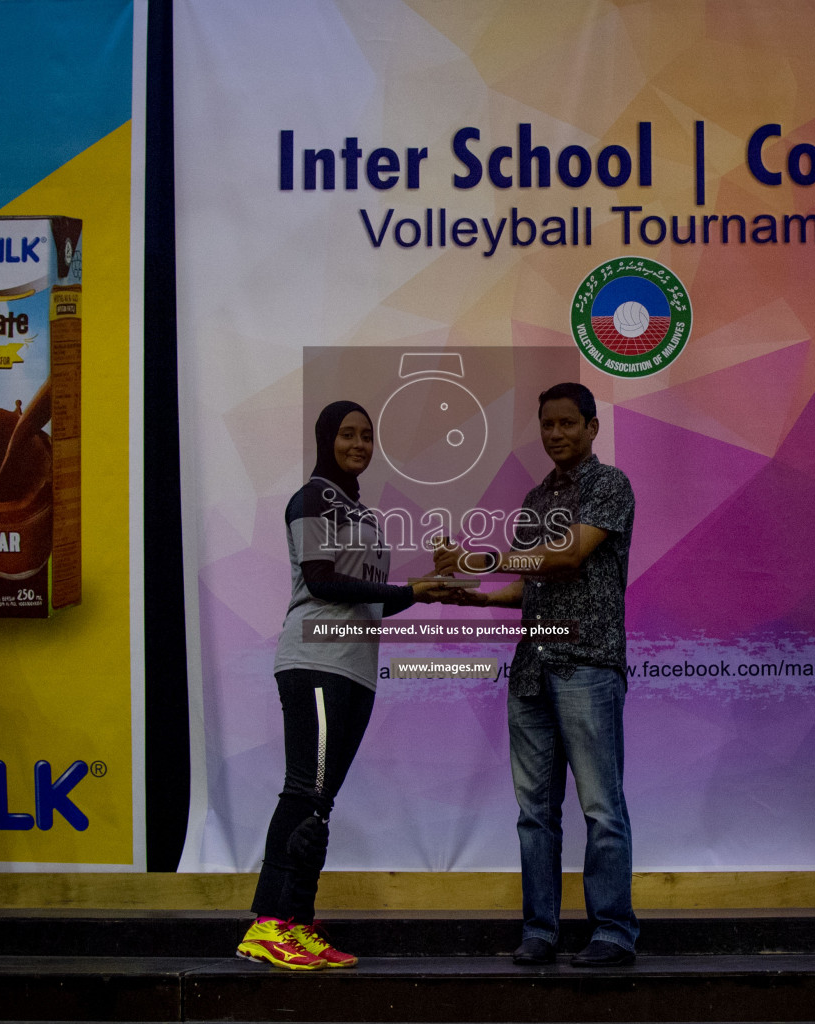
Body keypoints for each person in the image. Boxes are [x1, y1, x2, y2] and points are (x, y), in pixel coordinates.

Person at [434, 382, 638, 968]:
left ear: (593, 427)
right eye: (547, 425)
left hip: (587, 663)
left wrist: (481, 558)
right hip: (531, 670)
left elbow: (570, 556)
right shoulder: (532, 500)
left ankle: (613, 933)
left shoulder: (610, 485)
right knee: (534, 814)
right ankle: (541, 931)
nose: (556, 434)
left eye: (568, 423)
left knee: (601, 807)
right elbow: (533, 582)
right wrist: (473, 597)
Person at [236, 401, 445, 971]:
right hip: (315, 662)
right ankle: (269, 924)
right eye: (347, 434)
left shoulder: (367, 516)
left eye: (366, 435)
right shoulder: (311, 499)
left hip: (355, 668)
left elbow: (372, 599)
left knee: (319, 802)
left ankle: (297, 922)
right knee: (304, 791)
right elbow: (321, 579)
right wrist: (409, 590)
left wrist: (424, 588)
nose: (358, 443)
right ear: (325, 438)